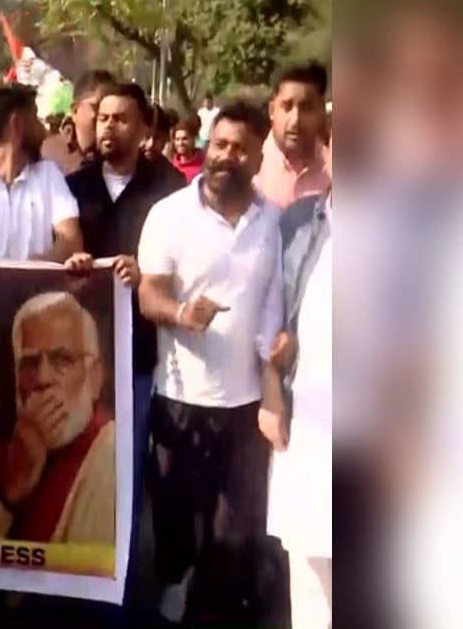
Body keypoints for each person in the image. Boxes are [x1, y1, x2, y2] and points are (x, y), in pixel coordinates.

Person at [137, 101, 282, 624]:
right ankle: (175, 590)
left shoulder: (273, 223)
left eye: (240, 148)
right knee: (177, 521)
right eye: (219, 145)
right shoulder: (169, 215)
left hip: (245, 406)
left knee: (233, 533)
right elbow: (148, 296)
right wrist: (180, 314)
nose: (227, 157)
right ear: (207, 147)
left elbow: (275, 303)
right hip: (180, 399)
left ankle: (215, 607)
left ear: (258, 155)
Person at [65, 82, 185, 608]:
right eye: (104, 117)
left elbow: (188, 266)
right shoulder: (72, 189)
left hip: (141, 359)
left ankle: (126, 586)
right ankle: (75, 586)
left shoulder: (171, 190)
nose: (108, 127)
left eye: (121, 119)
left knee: (130, 479)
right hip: (84, 364)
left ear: (144, 130)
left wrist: (148, 276)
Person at [259, 138, 333, 629]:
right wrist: (270, 392)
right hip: (308, 422)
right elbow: (273, 314)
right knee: (308, 568)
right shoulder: (301, 222)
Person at [0, 293, 116, 549]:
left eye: (62, 360)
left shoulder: (113, 453)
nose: (42, 378)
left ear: (94, 378)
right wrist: (9, 487)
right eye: (30, 363)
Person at [0, 84, 87, 266]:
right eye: (35, 119)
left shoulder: (49, 177)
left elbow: (71, 242)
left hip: (41, 293)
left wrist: (27, 275)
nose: (43, 132)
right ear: (17, 125)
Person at [254, 61, 330, 208]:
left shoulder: (333, 171)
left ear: (321, 111)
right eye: (287, 107)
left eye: (306, 108)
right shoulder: (249, 165)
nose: (295, 120)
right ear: (272, 111)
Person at [67, 69, 117, 173]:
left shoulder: (124, 163)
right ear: (74, 111)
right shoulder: (50, 157)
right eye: (98, 107)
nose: (108, 120)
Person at [171, 115, 205, 183]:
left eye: (185, 139)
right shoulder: (171, 166)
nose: (180, 143)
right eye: (177, 139)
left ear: (193, 139)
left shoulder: (205, 162)